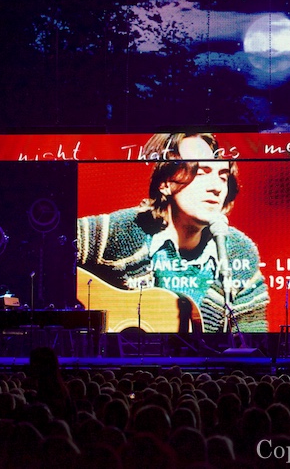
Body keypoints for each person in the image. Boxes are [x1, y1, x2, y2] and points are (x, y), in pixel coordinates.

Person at [76, 132, 269, 333]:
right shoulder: (125, 230)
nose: (216, 188)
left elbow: (254, 336)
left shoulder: (238, 252)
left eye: (223, 177)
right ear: (166, 183)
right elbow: (54, 242)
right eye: (201, 173)